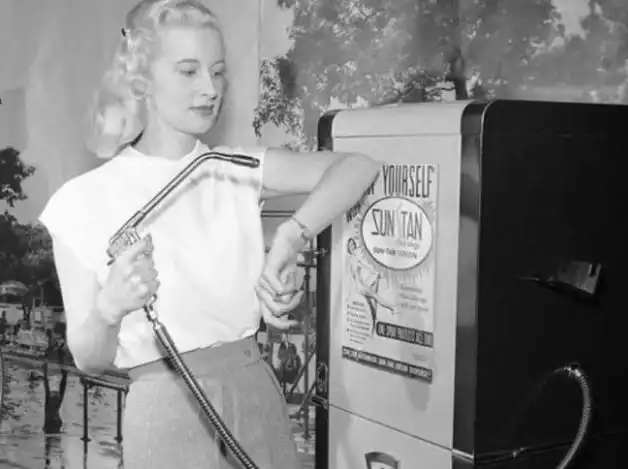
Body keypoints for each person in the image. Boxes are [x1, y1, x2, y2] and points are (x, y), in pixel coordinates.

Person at [39, 1, 379, 468]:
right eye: (188, 71)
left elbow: (359, 167)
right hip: (165, 417)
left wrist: (291, 236)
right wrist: (110, 307)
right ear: (141, 78)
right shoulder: (81, 201)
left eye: (218, 72)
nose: (210, 89)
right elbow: (89, 358)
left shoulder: (234, 169)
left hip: (256, 397)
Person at [42, 361, 68, 434]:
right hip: (54, 406)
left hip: (53, 407)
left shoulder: (49, 414)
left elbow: (47, 390)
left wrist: (45, 372)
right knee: (62, 389)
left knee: (61, 389)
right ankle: (64, 372)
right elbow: (47, 390)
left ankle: (64, 373)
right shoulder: (51, 412)